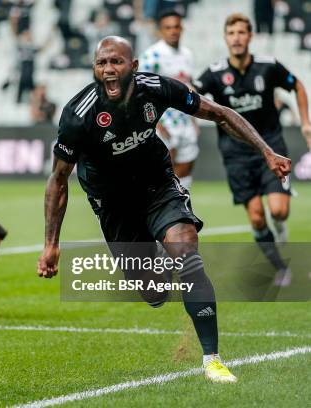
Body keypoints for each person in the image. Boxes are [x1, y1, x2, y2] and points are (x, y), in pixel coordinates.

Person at [37, 36, 291, 383]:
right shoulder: (78, 114)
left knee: (186, 252)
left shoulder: (155, 88)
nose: (109, 70)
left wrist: (266, 151)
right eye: (101, 64)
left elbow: (219, 113)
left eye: (116, 62)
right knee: (155, 292)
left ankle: (212, 359)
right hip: (113, 204)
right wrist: (51, 243)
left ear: (134, 66)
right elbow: (58, 179)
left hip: (157, 185)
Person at [194, 13, 311, 286]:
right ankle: (281, 267)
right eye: (231, 33)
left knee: (279, 210)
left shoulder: (268, 66)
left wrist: (305, 122)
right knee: (257, 216)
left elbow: (298, 86)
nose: (236, 38)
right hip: (236, 153)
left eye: (241, 32)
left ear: (250, 36)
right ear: (226, 38)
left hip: (272, 146)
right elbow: (192, 94)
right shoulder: (213, 72)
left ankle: (281, 227)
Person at [140, 9, 198, 190]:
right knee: (164, 171)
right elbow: (141, 92)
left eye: (176, 27)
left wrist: (194, 120)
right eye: (168, 27)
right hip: (163, 121)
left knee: (186, 168)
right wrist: (155, 123)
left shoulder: (187, 54)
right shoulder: (152, 56)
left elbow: (190, 87)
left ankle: (183, 207)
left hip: (185, 120)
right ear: (160, 30)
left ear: (182, 28)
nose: (173, 31)